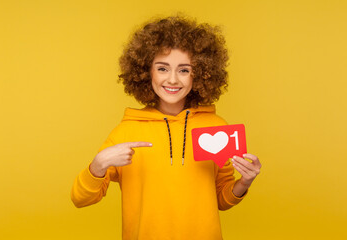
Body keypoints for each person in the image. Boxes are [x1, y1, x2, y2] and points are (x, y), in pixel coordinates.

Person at [71, 15, 262, 240]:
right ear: (146, 71)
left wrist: (244, 182)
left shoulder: (216, 127)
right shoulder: (126, 131)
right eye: (162, 68)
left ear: (199, 74)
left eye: (184, 70)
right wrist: (98, 164)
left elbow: (221, 200)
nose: (172, 79)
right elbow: (80, 199)